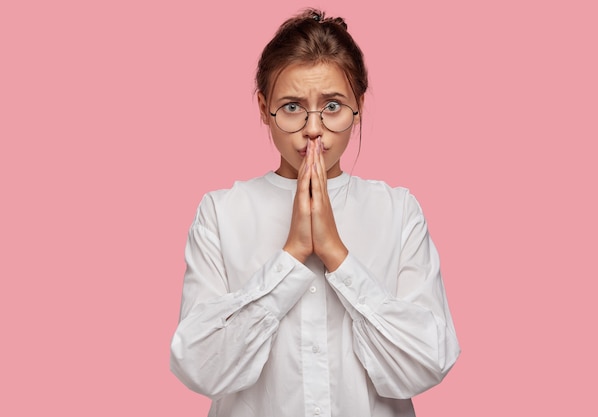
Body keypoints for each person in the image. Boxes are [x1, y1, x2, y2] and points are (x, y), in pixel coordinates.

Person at [170, 8, 460, 417]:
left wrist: (336, 256)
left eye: (332, 106)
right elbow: (199, 367)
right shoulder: (221, 213)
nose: (312, 128)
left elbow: (429, 361)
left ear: (357, 106)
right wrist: (290, 256)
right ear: (262, 107)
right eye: (291, 107)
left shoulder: (398, 212)